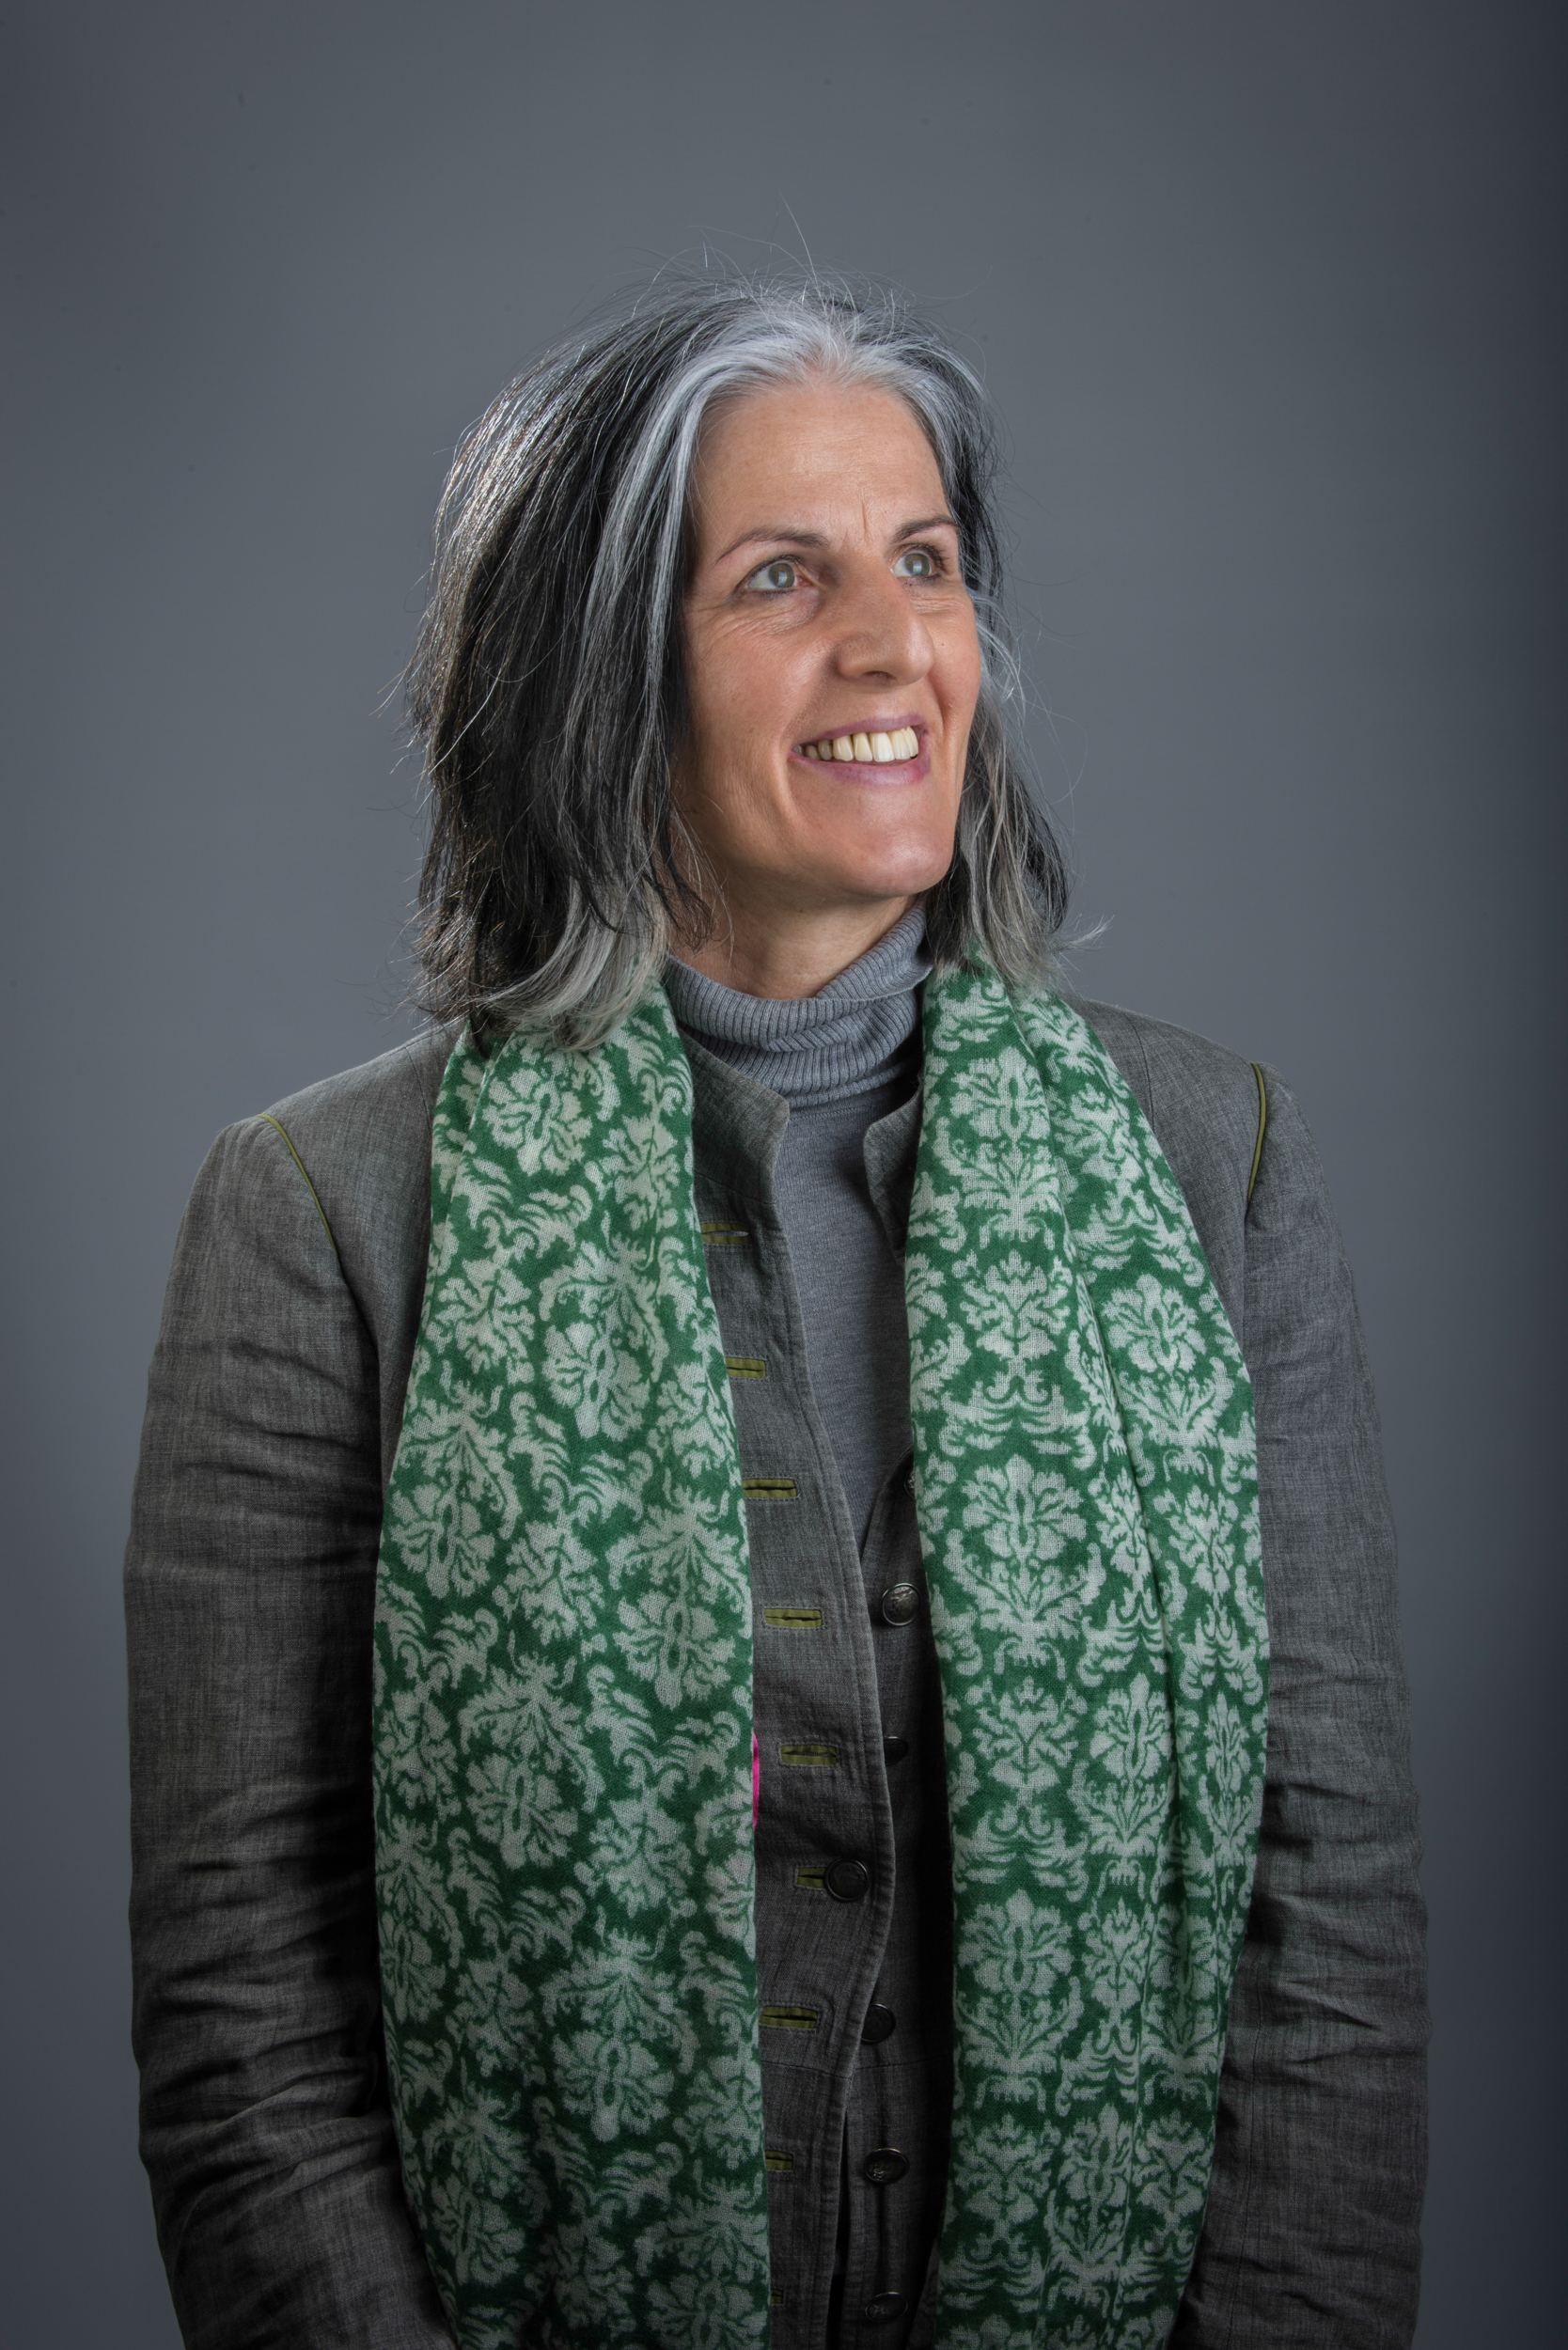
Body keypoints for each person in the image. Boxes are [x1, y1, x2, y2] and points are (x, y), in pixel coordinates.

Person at [125, 275, 1428, 2350]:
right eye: (782, 578)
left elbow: (1328, 1924)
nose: (896, 642)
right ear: (603, 670)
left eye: (928, 561)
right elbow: (247, 2012)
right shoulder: (323, 1218)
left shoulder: (1216, 1165)